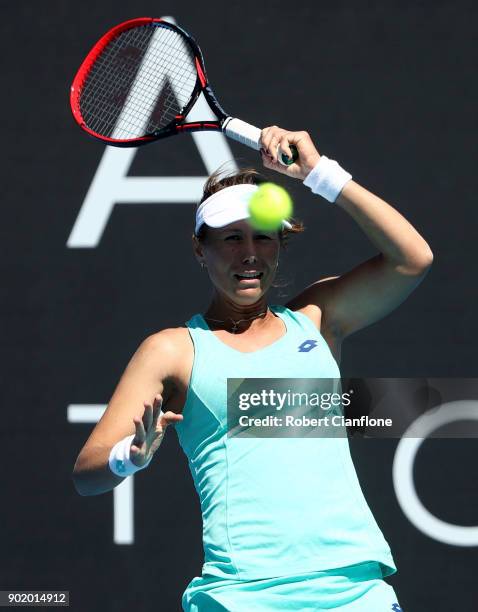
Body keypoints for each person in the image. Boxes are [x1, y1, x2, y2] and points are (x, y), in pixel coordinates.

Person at [73, 126, 433, 611]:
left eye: (263, 238)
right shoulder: (172, 350)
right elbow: (87, 473)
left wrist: (319, 174)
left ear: (280, 246)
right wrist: (129, 456)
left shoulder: (317, 319)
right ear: (200, 249)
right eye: (231, 238)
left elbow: (413, 258)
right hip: (240, 598)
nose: (249, 253)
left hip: (356, 592)